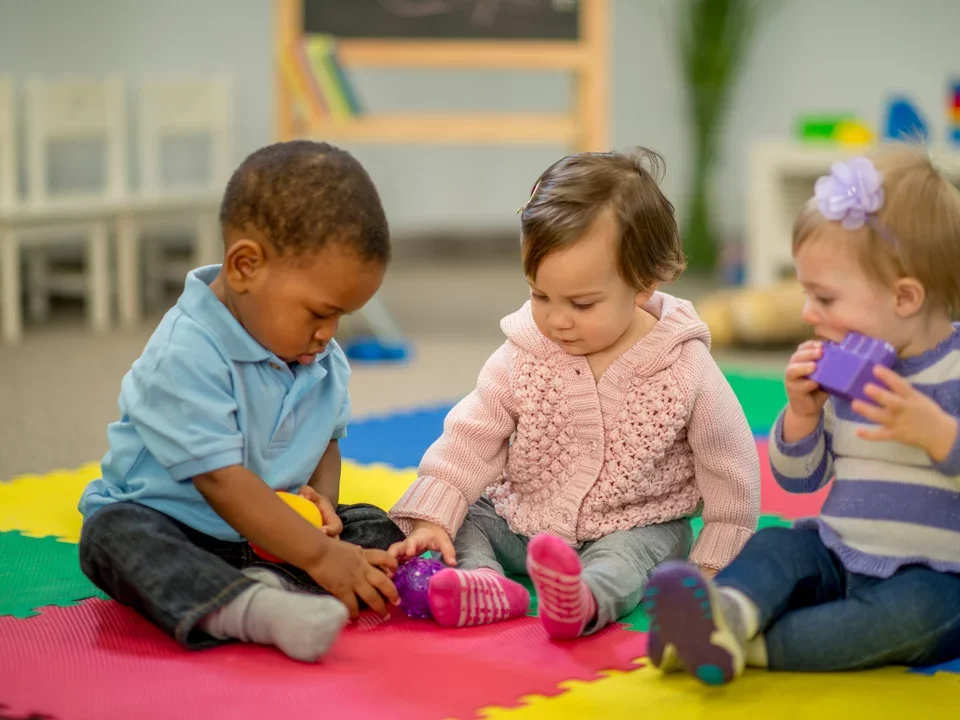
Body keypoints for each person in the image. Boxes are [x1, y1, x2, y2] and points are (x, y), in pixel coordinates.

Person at [389, 147, 760, 639]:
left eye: (582, 304)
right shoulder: (523, 353)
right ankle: (482, 582)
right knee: (468, 518)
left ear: (643, 284)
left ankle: (584, 600)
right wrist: (432, 518)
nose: (556, 319)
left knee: (631, 561)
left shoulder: (684, 366)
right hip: (524, 518)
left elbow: (728, 463)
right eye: (540, 295)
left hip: (635, 523)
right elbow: (470, 436)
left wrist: (717, 555)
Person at [78, 140, 405, 663]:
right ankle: (253, 607)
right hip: (176, 525)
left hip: (271, 533)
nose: (328, 334)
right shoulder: (185, 354)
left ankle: (422, 583)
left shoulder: (319, 356)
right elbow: (220, 481)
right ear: (245, 266)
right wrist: (319, 554)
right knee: (111, 539)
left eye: (342, 316)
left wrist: (321, 515)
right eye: (319, 312)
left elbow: (325, 442)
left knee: (379, 524)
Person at [644, 145, 960, 685]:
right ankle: (728, 613)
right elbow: (800, 479)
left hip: (935, 577)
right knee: (776, 545)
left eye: (826, 298)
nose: (809, 314)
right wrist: (802, 415)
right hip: (837, 551)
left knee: (910, 620)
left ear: (905, 297)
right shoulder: (843, 367)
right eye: (804, 293)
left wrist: (937, 434)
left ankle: (749, 648)